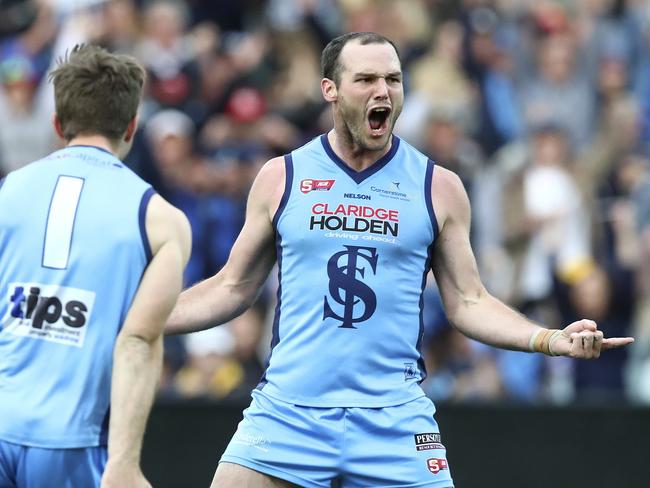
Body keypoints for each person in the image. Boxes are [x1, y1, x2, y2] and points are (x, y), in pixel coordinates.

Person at [166, 32, 634, 488]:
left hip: (392, 419)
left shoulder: (438, 186)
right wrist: (140, 318)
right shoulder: (281, 177)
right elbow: (232, 287)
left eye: (393, 79)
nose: (383, 91)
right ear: (330, 89)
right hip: (290, 412)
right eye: (366, 79)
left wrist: (549, 339)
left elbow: (469, 301)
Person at [0, 44, 191, 488]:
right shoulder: (161, 220)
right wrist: (123, 462)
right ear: (131, 126)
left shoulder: (7, 193)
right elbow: (139, 341)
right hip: (74, 442)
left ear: (56, 124)